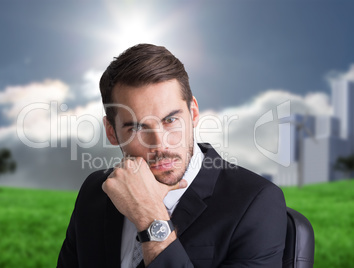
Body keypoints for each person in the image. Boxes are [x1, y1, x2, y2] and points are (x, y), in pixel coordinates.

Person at [57, 44, 287, 268]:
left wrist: (151, 220)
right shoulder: (95, 191)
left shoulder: (256, 203)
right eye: (137, 128)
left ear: (193, 113)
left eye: (170, 120)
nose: (160, 143)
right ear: (112, 132)